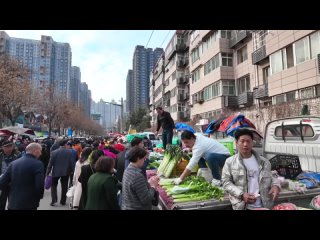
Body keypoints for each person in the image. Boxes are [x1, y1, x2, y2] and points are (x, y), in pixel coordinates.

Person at [221, 128, 281, 210]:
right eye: (242, 141)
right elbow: (226, 182)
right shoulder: (230, 162)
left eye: (248, 141)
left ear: (252, 143)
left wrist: (275, 186)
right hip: (242, 206)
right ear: (236, 143)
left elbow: (272, 176)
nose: (245, 144)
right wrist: (241, 195)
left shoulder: (264, 162)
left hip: (265, 205)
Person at [0, 143, 44, 210]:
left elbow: (2, 182)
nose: (41, 153)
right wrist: (39, 196)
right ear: (35, 150)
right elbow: (40, 185)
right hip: (29, 203)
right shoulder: (38, 164)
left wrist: (12, 190)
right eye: (40, 151)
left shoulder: (13, 163)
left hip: (13, 203)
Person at [46, 139, 74, 206]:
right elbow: (71, 163)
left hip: (55, 172)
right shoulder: (69, 152)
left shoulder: (54, 152)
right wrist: (73, 171)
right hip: (66, 172)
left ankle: (54, 200)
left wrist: (47, 172)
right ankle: (63, 201)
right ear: (65, 144)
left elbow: (50, 164)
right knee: (64, 187)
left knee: (53, 186)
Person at [0, 141, 21, 210]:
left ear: (12, 147)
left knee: (12, 203)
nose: (8, 149)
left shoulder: (18, 155)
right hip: (2, 182)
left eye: (10, 147)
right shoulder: (0, 155)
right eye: (6, 147)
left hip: (14, 183)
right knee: (1, 202)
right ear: (2, 148)